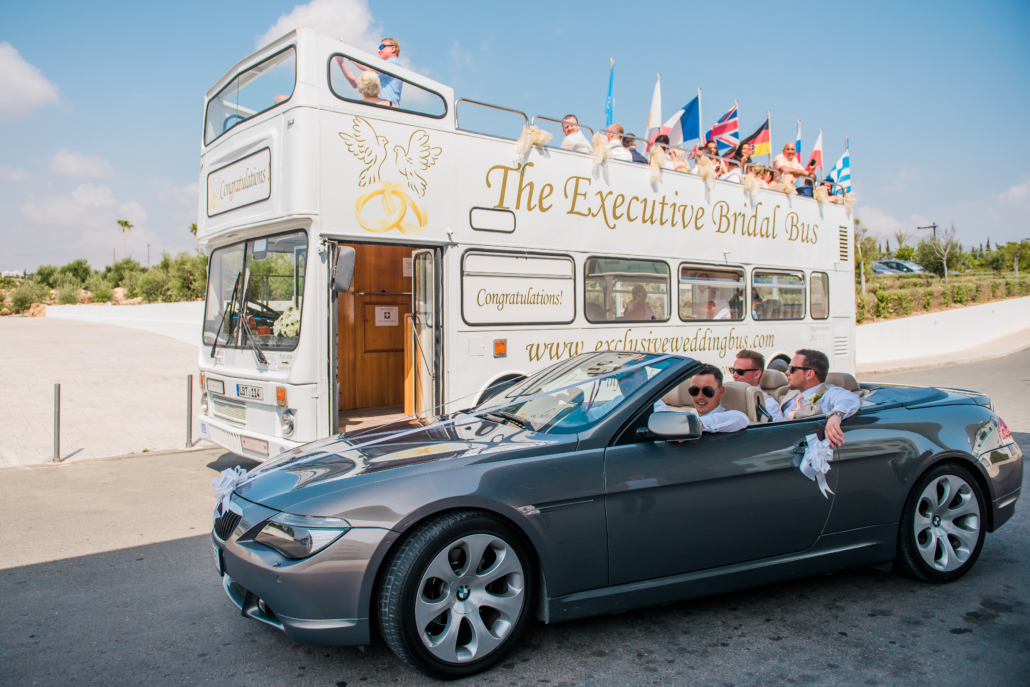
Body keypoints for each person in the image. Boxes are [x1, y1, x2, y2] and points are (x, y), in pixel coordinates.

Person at [778, 349, 861, 447]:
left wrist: (835, 415)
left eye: (792, 369)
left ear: (809, 374)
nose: (787, 372)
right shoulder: (792, 394)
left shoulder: (827, 394)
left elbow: (851, 398)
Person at [335, 38, 404, 106]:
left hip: (389, 110)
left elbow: (368, 68)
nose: (378, 51)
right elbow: (355, 84)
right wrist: (341, 62)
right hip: (378, 109)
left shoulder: (395, 62)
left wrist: (348, 54)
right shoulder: (379, 73)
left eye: (381, 47)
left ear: (393, 49)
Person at [684, 365, 749, 433]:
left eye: (708, 391)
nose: (700, 396)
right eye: (694, 390)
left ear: (721, 392)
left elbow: (741, 418)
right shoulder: (687, 415)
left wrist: (696, 425)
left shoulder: (732, 419)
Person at [730, 349, 784, 422]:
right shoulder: (727, 398)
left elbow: (773, 432)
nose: (734, 375)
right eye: (732, 370)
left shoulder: (768, 405)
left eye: (740, 372)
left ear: (757, 374)